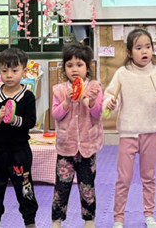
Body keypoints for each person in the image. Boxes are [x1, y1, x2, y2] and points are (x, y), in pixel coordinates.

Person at [103, 28, 156, 228]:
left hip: (150, 131)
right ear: (129, 52)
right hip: (128, 132)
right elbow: (110, 96)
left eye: (148, 47)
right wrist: (111, 102)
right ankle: (118, 218)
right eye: (139, 47)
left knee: (149, 176)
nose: (144, 51)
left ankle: (149, 215)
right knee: (124, 178)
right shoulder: (122, 73)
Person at [0, 48, 38, 228]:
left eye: (14, 70)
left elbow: (31, 121)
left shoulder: (27, 96)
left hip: (20, 151)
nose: (9, 75)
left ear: (24, 71)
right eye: (4, 70)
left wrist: (14, 119)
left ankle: (30, 221)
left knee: (24, 187)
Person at [51, 43, 103, 228]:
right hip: (66, 146)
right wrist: (66, 102)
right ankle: (57, 220)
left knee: (87, 186)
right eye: (70, 65)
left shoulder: (95, 87)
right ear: (64, 68)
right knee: (61, 186)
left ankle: (89, 219)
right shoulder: (59, 89)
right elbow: (56, 115)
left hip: (88, 146)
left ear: (87, 67)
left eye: (79, 65)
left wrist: (89, 101)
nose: (74, 69)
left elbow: (97, 113)